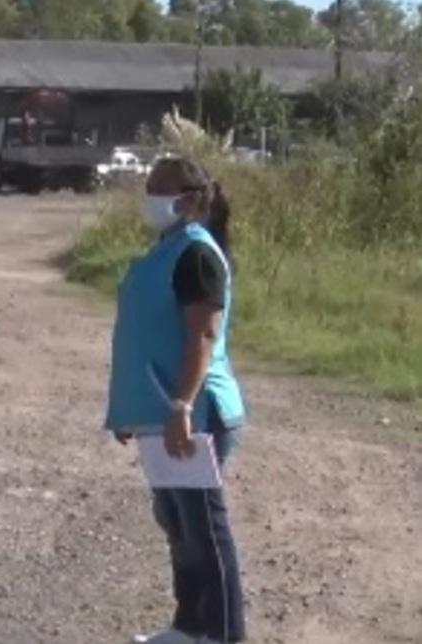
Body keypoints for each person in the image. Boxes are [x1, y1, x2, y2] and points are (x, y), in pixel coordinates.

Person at [104, 155, 248, 644]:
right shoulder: (166, 249)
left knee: (204, 530)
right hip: (158, 414)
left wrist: (182, 408)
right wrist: (130, 410)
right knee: (176, 523)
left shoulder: (196, 254)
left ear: (188, 200)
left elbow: (203, 337)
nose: (149, 197)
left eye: (158, 189)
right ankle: (189, 627)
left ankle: (226, 635)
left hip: (194, 412)